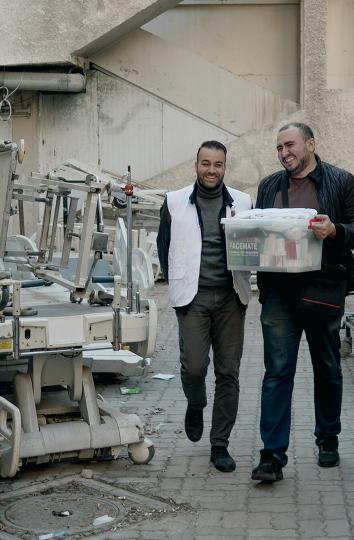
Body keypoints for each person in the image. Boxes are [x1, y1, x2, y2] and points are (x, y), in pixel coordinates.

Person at [251, 122, 354, 482]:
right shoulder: (269, 185)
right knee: (276, 372)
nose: (283, 153)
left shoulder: (341, 181)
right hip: (278, 293)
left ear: (311, 144)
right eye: (278, 148)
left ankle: (328, 439)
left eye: (290, 145)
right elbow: (260, 231)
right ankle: (272, 456)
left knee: (328, 368)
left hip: (322, 288)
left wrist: (335, 230)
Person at [156, 140, 252, 472]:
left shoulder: (242, 201)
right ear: (196, 164)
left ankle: (220, 445)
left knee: (229, 372)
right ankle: (196, 404)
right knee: (194, 367)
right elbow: (163, 245)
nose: (212, 170)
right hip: (193, 300)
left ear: (225, 167)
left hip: (230, 298)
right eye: (205, 163)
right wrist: (177, 280)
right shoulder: (173, 201)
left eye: (218, 165)